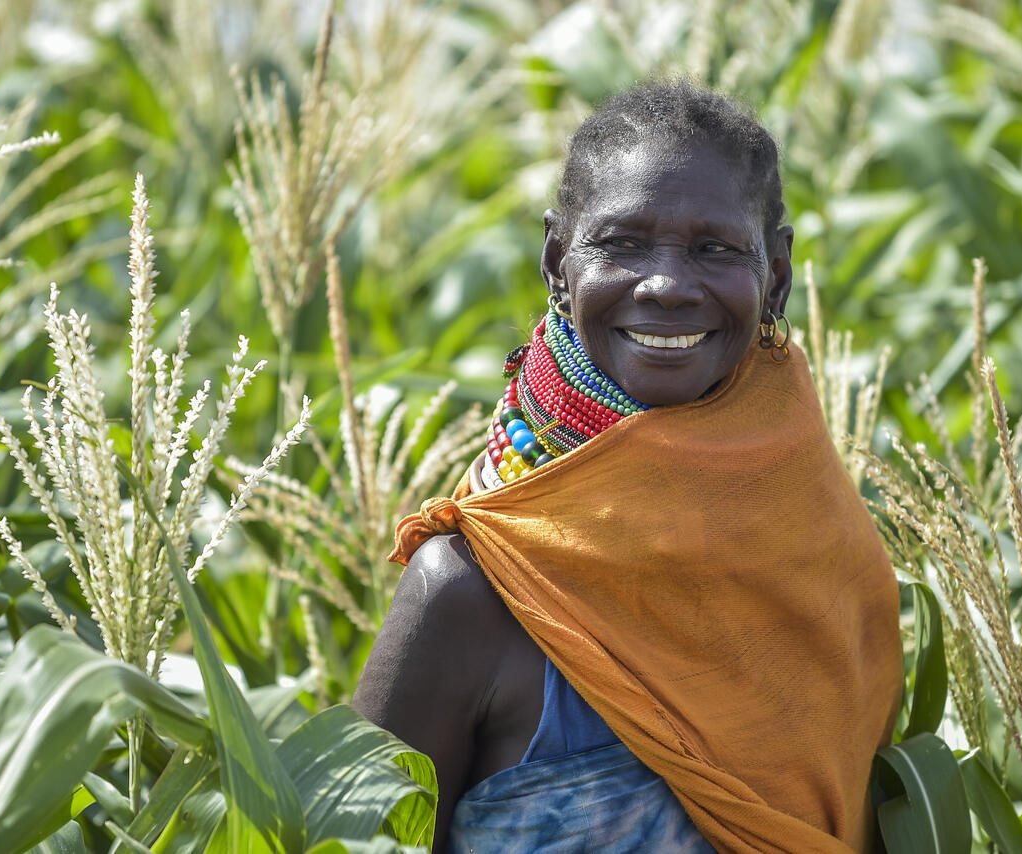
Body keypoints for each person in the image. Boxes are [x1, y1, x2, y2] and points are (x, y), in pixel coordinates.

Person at [353, 80, 901, 854]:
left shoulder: (831, 561)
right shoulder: (470, 592)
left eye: (715, 249)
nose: (668, 286)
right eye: (621, 244)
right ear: (558, 259)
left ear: (776, 273)